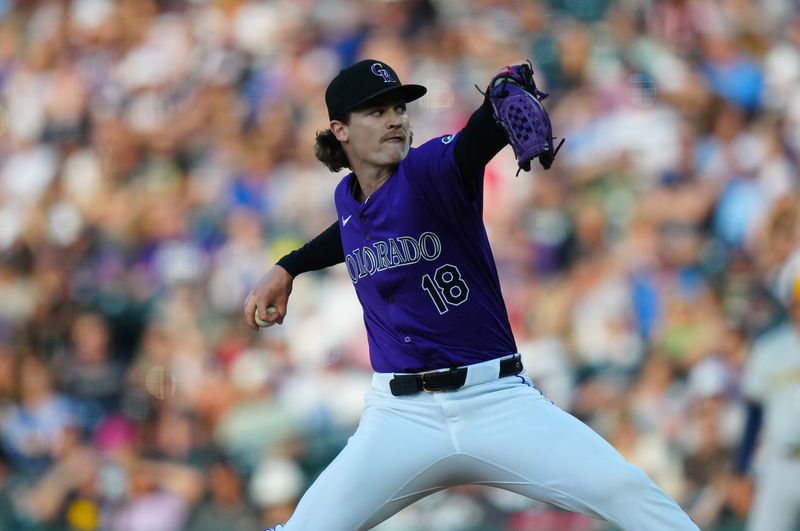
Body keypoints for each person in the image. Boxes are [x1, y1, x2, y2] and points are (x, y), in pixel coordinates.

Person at [244, 59, 699, 531]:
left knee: (625, 490)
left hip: (496, 401)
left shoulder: (428, 170)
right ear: (340, 129)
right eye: (376, 112)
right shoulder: (348, 199)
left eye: (399, 107)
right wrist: (289, 265)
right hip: (401, 417)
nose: (396, 118)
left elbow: (472, 145)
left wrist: (495, 103)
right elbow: (350, 231)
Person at [738, 272, 800, 531]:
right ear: (791, 304)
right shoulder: (770, 348)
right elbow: (754, 413)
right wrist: (741, 469)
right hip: (781, 459)